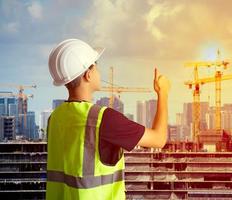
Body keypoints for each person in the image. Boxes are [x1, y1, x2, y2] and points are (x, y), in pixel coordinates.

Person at [46, 39, 170, 200]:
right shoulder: (103, 118)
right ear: (88, 75)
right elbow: (159, 139)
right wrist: (163, 93)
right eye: (95, 65)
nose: (99, 71)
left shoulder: (55, 118)